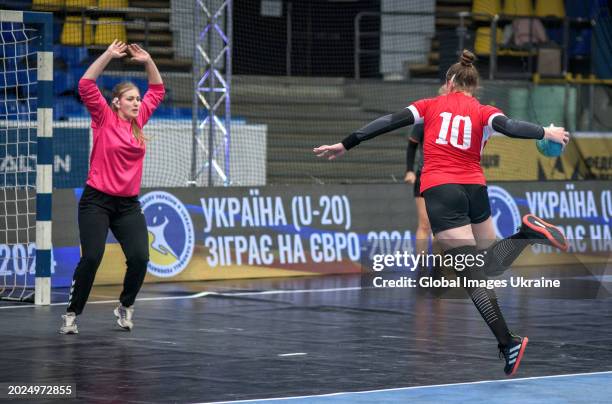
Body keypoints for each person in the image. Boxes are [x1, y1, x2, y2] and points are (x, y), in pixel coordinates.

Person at [313, 50, 570, 376]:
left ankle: (508, 340)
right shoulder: (482, 111)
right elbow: (511, 126)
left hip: (441, 191)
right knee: (487, 266)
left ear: (449, 82)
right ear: (474, 87)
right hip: (475, 190)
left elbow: (388, 121)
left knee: (470, 274)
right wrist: (545, 132)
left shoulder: (429, 105)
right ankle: (525, 238)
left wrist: (346, 144)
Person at [60, 40, 165, 334]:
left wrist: (148, 61)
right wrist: (107, 54)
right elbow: (85, 84)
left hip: (128, 205)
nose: (137, 102)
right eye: (130, 98)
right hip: (97, 201)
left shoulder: (140, 121)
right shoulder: (104, 118)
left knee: (140, 258)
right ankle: (71, 313)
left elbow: (157, 90)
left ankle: (125, 306)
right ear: (117, 102)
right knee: (92, 257)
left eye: (137, 99)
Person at [404, 124, 432, 259]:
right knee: (425, 224)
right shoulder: (422, 124)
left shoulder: (454, 122)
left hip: (447, 178)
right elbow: (411, 147)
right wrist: (409, 170)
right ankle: (422, 265)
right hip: (424, 177)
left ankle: (441, 266)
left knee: (443, 227)